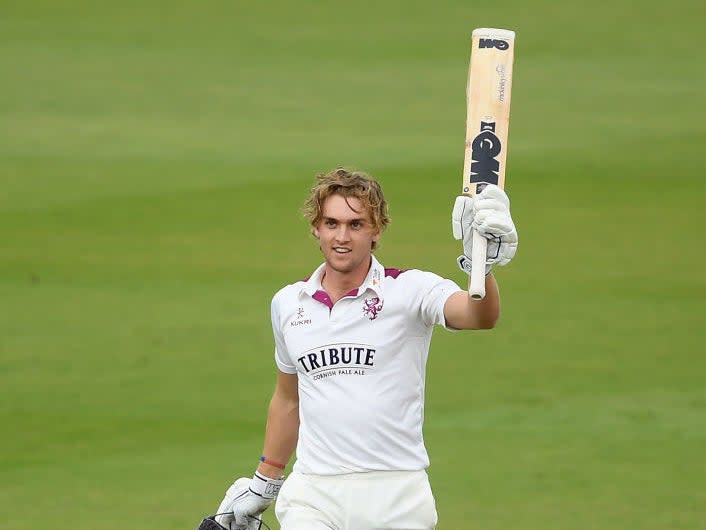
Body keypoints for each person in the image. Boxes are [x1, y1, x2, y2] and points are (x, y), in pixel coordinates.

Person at [212, 168, 518, 530]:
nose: (342, 236)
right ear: (316, 228)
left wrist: (482, 267)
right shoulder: (288, 304)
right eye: (331, 223)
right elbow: (288, 399)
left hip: (397, 493)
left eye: (356, 224)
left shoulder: (410, 290)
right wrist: (265, 481)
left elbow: (479, 315)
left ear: (377, 231)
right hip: (313, 493)